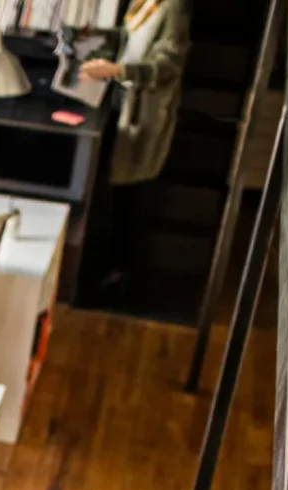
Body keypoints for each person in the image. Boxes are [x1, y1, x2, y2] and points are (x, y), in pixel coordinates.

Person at [80, 0, 191, 293]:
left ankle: (120, 272)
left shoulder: (174, 8)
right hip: (120, 102)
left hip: (143, 112)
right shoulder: (140, 3)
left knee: (129, 196)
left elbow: (167, 64)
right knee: (108, 188)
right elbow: (128, 38)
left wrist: (117, 69)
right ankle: (100, 266)